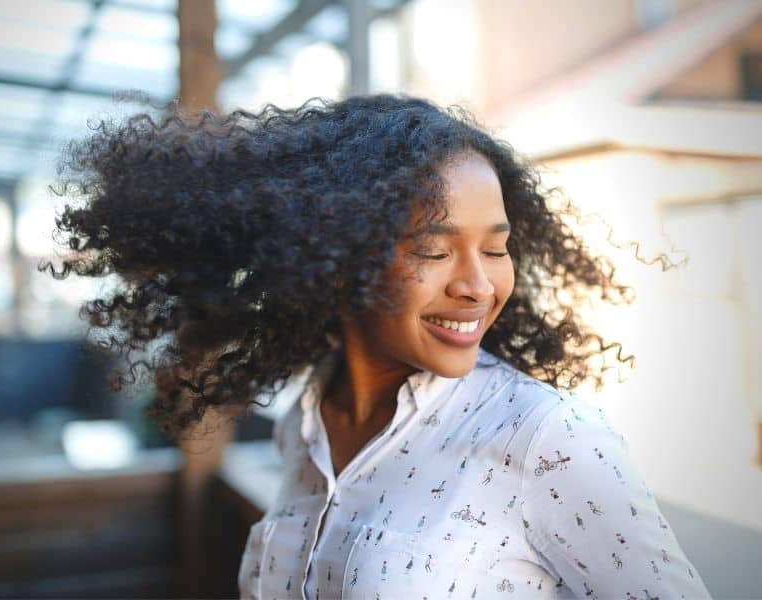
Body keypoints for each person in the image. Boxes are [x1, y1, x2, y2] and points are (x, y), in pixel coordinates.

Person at [41, 95, 711, 599]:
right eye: (433, 249)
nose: (478, 285)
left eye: (496, 248)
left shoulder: (546, 438)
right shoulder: (306, 421)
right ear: (338, 257)